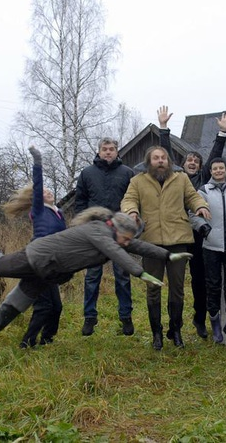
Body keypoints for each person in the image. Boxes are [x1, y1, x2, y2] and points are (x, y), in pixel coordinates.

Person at [0, 208, 192, 349]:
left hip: (50, 271)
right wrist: (140, 273)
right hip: (38, 257)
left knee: (21, 299)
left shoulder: (115, 235)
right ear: (115, 228)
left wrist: (168, 255)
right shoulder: (99, 231)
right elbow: (117, 253)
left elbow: (135, 245)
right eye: (126, 238)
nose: (128, 242)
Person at [121, 145, 211, 350]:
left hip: (178, 239)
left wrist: (201, 206)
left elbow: (192, 196)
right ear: (149, 162)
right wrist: (132, 212)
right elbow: (128, 200)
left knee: (177, 289)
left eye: (163, 157)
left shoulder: (181, 178)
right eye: (155, 158)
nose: (160, 160)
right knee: (153, 288)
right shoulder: (137, 181)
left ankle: (176, 330)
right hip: (150, 241)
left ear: (169, 161)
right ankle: (156, 334)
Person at [156, 106, 226, 339]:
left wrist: (222, 133)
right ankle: (173, 324)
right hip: (176, 234)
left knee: (200, 280)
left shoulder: (203, 179)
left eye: (196, 160)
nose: (192, 161)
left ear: (200, 167)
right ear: (183, 163)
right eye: (188, 159)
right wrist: (164, 128)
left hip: (199, 236)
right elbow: (166, 153)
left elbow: (214, 157)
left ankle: (200, 320)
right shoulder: (174, 177)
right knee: (175, 283)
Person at [2, 146, 67, 348]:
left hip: (52, 263)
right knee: (44, 305)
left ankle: (47, 340)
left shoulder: (59, 213)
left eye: (49, 190)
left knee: (56, 306)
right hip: (39, 261)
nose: (47, 191)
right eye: (43, 191)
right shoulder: (39, 210)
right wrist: (37, 162)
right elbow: (38, 185)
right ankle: (27, 343)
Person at [75, 137, 135, 337]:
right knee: (92, 276)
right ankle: (89, 318)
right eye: (104, 149)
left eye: (111, 149)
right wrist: (81, 226)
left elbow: (134, 201)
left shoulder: (127, 173)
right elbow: (80, 201)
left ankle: (126, 317)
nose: (108, 152)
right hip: (95, 230)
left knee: (123, 275)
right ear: (98, 151)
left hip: (119, 230)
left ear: (117, 152)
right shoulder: (87, 173)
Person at [191, 157, 226, 344]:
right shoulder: (203, 191)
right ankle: (215, 323)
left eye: (221, 168)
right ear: (211, 171)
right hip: (211, 245)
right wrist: (203, 229)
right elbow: (194, 213)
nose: (218, 171)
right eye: (215, 169)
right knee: (213, 286)